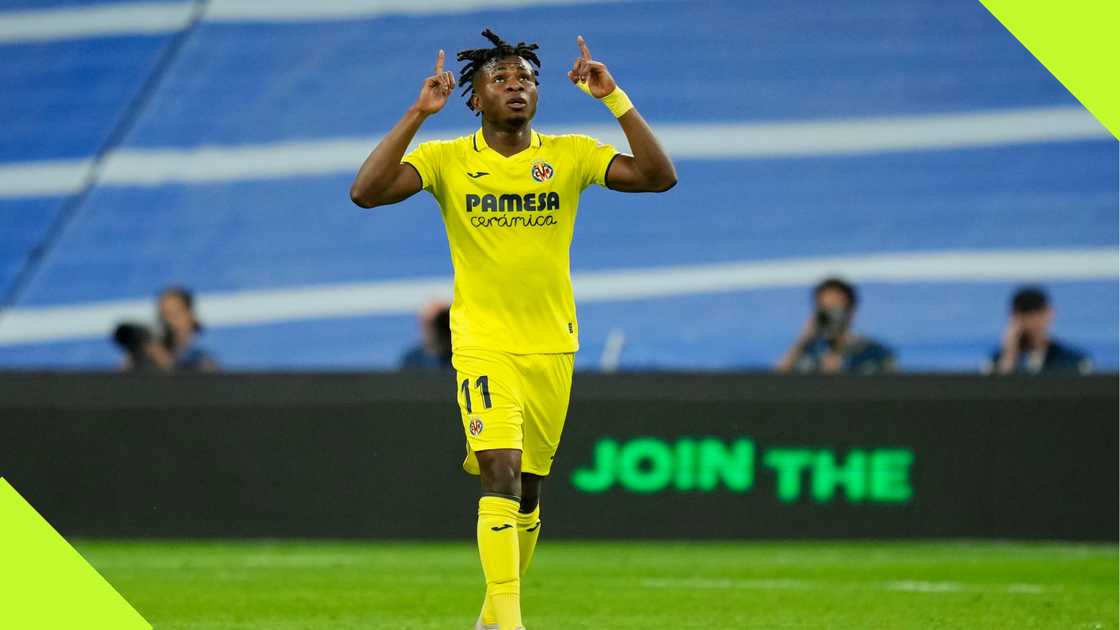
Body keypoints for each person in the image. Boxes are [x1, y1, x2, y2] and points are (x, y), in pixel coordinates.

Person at [350, 29, 676, 630]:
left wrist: (615, 98)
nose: (516, 87)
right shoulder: (446, 159)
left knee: (526, 488)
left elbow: (658, 176)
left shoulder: (571, 154)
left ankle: (489, 618)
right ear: (474, 97)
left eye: (526, 78)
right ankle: (513, 623)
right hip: (482, 343)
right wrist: (417, 115)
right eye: (500, 79)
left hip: (552, 342)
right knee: (498, 466)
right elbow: (365, 192)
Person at [777, 277, 895, 374]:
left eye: (835, 308)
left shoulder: (875, 353)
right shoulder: (807, 352)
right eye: (824, 308)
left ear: (851, 311)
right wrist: (803, 339)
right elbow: (775, 383)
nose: (830, 315)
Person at [986, 286, 1091, 375]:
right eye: (1024, 316)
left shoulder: (1073, 361)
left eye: (1037, 315)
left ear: (1049, 314)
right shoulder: (996, 361)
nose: (1031, 323)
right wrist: (1009, 356)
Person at [158, 286, 218, 372]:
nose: (168, 321)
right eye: (163, 315)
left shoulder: (205, 353)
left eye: (174, 314)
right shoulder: (156, 350)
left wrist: (169, 364)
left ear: (189, 314)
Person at [399, 301, 453, 370]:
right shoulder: (412, 360)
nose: (440, 329)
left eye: (445, 323)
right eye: (433, 324)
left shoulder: (464, 357)